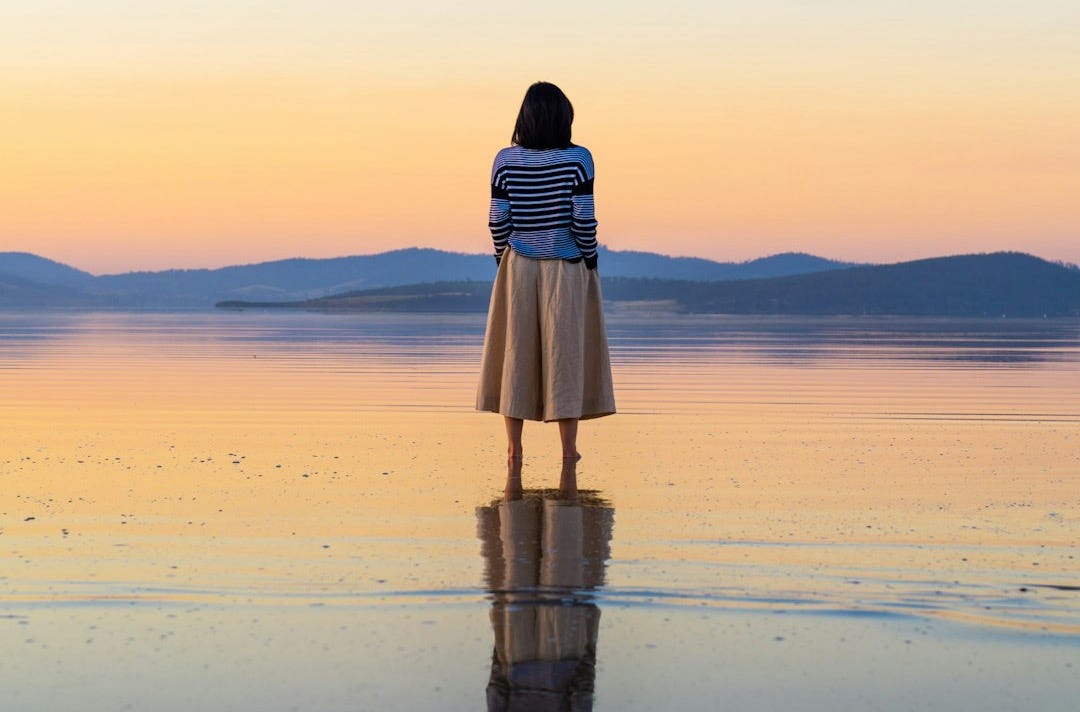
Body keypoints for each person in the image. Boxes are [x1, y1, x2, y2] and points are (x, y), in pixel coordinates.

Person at [476, 81, 616, 484]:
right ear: (563, 118)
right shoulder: (579, 159)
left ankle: (514, 450)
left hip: (518, 265)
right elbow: (583, 218)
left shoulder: (504, 160)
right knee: (565, 356)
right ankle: (568, 451)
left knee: (514, 355)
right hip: (566, 265)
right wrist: (590, 259)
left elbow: (498, 220)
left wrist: (504, 259)